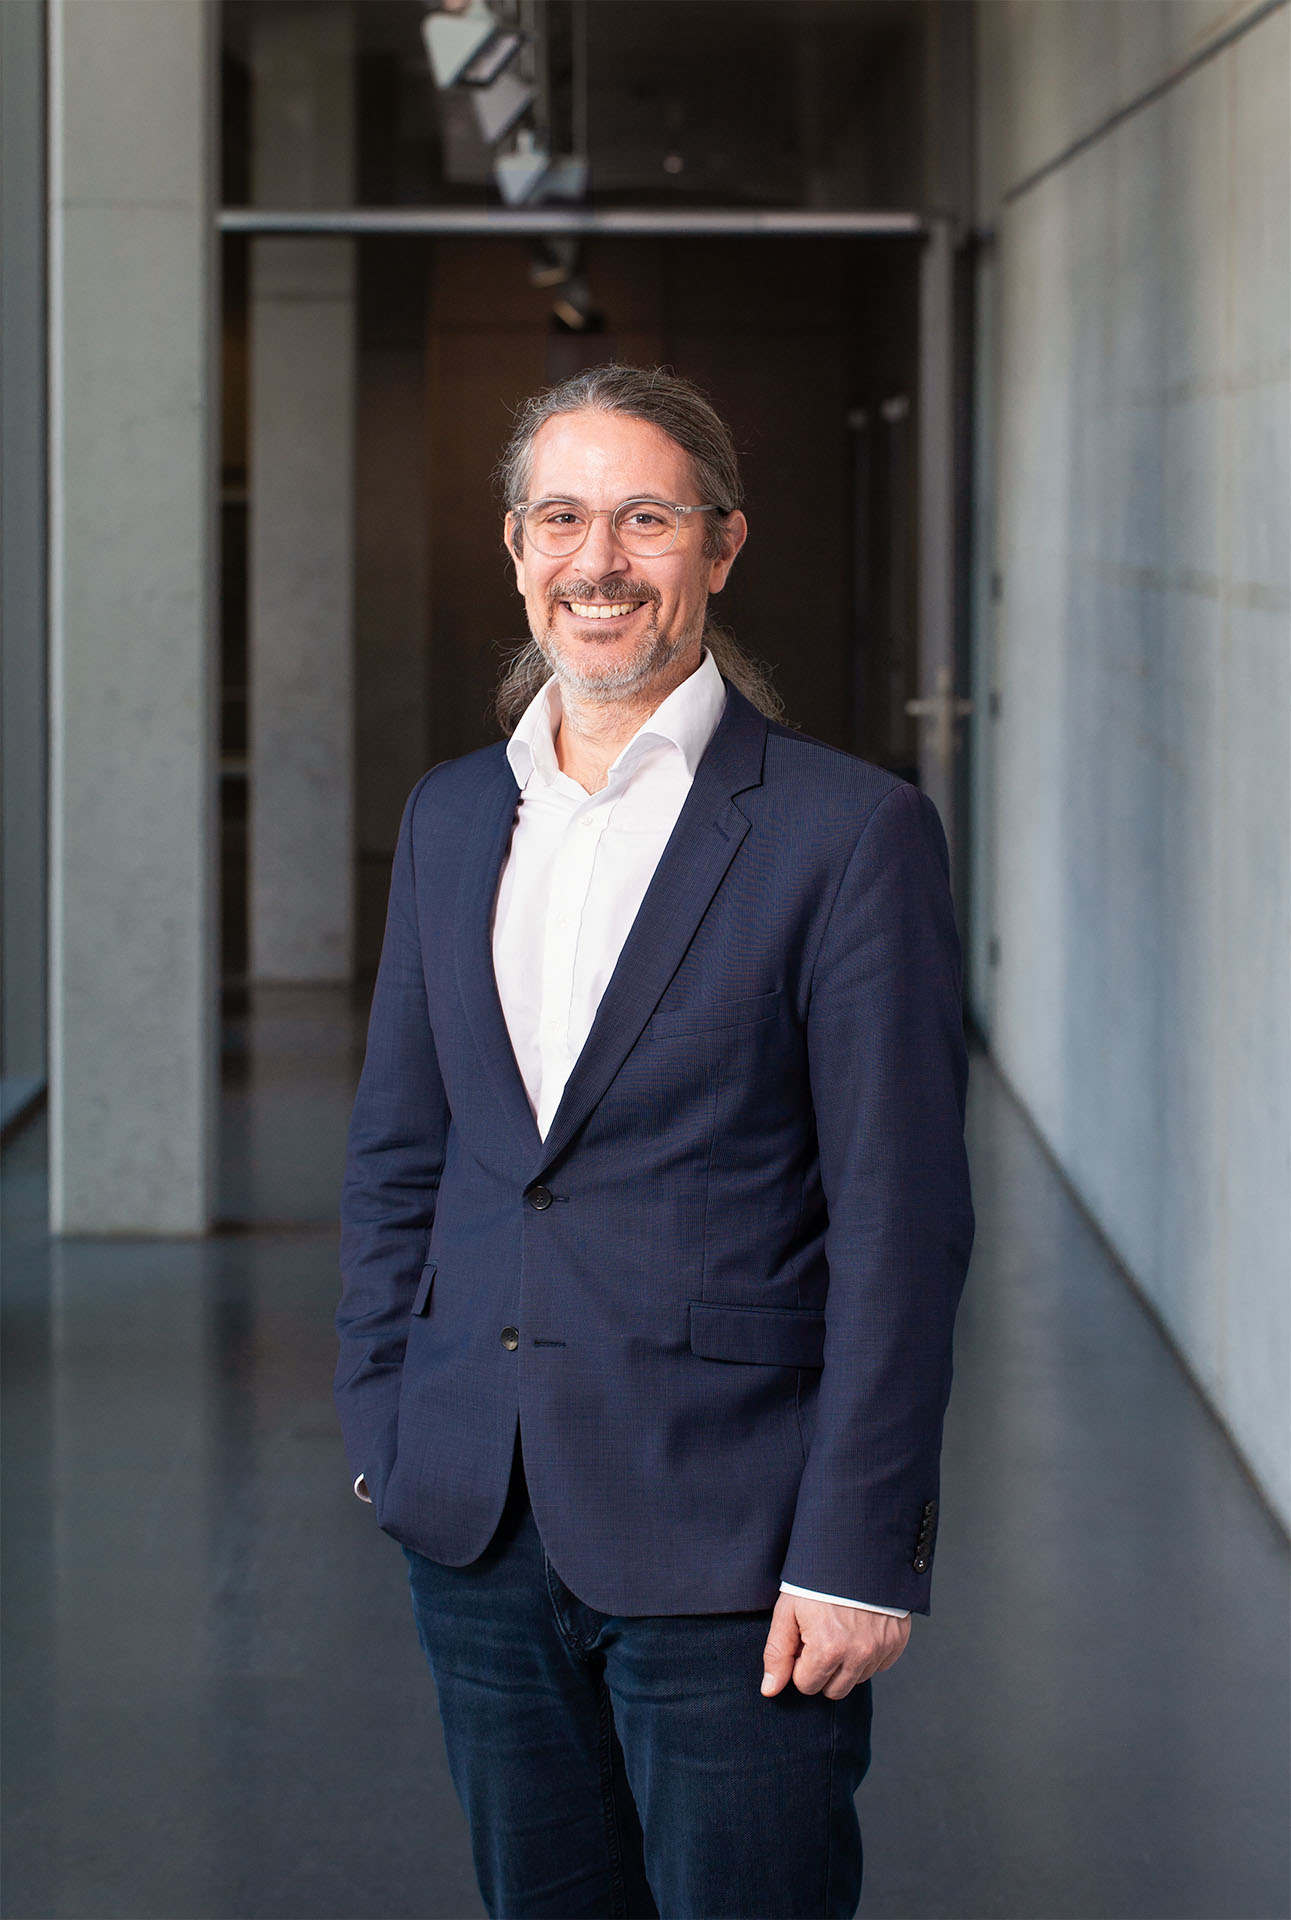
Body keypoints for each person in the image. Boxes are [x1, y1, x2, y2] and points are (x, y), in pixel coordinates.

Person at [335, 364, 973, 1920]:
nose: (598, 559)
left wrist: (857, 1549)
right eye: (563, 516)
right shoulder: (448, 822)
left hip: (735, 1538)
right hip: (477, 1519)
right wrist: (384, 1424)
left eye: (646, 517)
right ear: (515, 548)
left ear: (722, 546)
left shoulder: (844, 832)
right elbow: (401, 1154)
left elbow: (901, 1219)